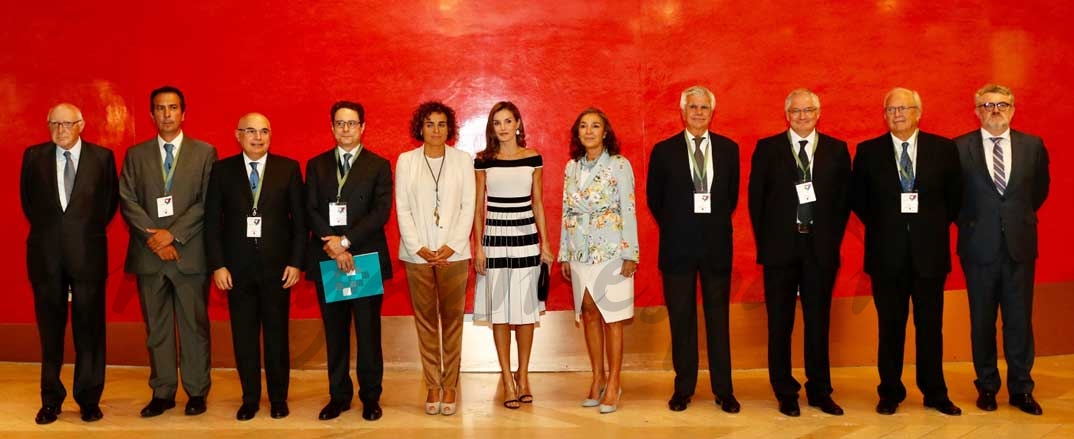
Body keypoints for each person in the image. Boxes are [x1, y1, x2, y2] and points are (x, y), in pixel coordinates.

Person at [850, 87, 963, 416]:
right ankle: (890, 391)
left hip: (930, 254)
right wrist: (890, 226)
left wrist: (927, 226)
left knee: (930, 326)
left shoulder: (943, 149)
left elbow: (955, 198)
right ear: (884, 116)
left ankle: (935, 391)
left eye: (904, 108)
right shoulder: (869, 152)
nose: (897, 114)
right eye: (890, 110)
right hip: (887, 255)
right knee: (890, 326)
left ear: (918, 112)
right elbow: (859, 200)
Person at [748, 88, 850, 417]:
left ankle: (820, 390)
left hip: (819, 250)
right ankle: (785, 390)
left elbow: (843, 202)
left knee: (818, 323)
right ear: (786, 114)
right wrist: (769, 242)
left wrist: (830, 238)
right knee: (780, 323)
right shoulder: (767, 149)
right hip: (780, 249)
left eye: (808, 110)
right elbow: (756, 202)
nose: (802, 116)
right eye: (796, 111)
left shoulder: (836, 150)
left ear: (818, 113)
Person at [119, 86, 216, 418]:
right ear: (151, 115)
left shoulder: (205, 153)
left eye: (173, 108)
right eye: (160, 109)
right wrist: (156, 240)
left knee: (194, 326)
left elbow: (206, 202)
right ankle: (162, 391)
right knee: (156, 329)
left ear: (183, 113)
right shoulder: (136, 155)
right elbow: (127, 200)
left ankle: (196, 391)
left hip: (189, 255)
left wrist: (172, 235)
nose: (167, 114)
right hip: (150, 257)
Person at [20, 103, 119, 424]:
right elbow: (29, 204)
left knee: (89, 331)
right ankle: (51, 400)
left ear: (82, 124)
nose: (60, 130)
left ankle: (89, 399)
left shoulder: (102, 158)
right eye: (54, 124)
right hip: (45, 258)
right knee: (50, 334)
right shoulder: (33, 157)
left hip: (88, 256)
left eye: (67, 123)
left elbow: (108, 205)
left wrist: (79, 233)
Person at [954, 84, 1049, 415]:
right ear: (977, 110)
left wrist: (1013, 220)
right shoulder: (959, 148)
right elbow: (952, 198)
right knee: (981, 320)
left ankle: (1022, 388)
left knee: (1019, 320)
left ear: (1013, 108)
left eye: (1002, 104)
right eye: (987, 105)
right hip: (978, 247)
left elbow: (1038, 191)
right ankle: (987, 386)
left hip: (1020, 247)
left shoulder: (1032, 146)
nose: (995, 110)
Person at [205, 112, 305, 421]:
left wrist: (296, 263)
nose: (257, 137)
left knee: (276, 338)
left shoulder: (288, 169)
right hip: (236, 271)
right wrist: (218, 266)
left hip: (278, 270)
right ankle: (249, 398)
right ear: (238, 135)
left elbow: (301, 225)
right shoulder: (221, 171)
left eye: (264, 131)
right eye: (250, 131)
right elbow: (211, 224)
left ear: (271, 136)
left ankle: (278, 398)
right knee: (244, 338)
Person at [646, 85, 740, 413]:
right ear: (682, 112)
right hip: (677, 248)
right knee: (681, 321)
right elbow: (654, 200)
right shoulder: (663, 151)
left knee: (718, 320)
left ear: (712, 112)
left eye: (704, 107)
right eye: (693, 107)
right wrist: (680, 225)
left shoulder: (729, 149)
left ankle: (724, 390)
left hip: (716, 247)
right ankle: (683, 388)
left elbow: (730, 199)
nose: (698, 112)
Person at [305, 101, 393, 421]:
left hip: (364, 258)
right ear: (331, 127)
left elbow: (379, 213)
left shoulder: (378, 165)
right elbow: (310, 209)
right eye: (339, 124)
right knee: (335, 332)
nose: (345, 129)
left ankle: (370, 397)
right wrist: (333, 245)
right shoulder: (316, 165)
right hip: (328, 259)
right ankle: (338, 396)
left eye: (351, 124)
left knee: (368, 333)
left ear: (362, 127)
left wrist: (345, 243)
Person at [396, 101, 475, 416]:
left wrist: (452, 246)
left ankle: (450, 385)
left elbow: (468, 206)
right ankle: (432, 383)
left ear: (450, 129)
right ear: (421, 127)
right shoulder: (406, 161)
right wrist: (419, 247)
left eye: (442, 124)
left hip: (454, 255)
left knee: (453, 321)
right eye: (430, 124)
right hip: (418, 256)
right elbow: (402, 207)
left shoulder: (462, 160)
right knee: (426, 321)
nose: (436, 130)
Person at [473, 101, 553, 409]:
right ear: (491, 128)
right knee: (501, 315)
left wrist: (545, 244)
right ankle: (507, 378)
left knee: (525, 313)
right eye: (497, 123)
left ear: (518, 123)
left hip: (526, 241)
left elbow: (539, 203)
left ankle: (524, 375)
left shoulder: (533, 157)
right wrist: (477, 246)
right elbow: (480, 204)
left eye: (508, 121)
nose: (503, 127)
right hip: (495, 240)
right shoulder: (483, 161)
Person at [559, 107, 638, 414]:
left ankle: (615, 382)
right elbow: (566, 211)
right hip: (580, 251)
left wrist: (631, 253)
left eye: (595, 126)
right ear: (577, 133)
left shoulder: (619, 165)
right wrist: (565, 252)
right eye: (583, 126)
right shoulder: (572, 167)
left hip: (611, 250)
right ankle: (597, 378)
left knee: (613, 317)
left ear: (605, 132)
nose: (589, 131)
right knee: (589, 312)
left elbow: (628, 208)